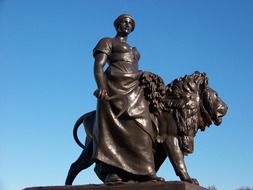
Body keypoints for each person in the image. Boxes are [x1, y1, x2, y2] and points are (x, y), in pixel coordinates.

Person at [92, 14, 161, 183]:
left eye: (130, 23)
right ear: (117, 24)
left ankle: (145, 171)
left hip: (134, 90)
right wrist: (101, 86)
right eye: (124, 21)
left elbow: (133, 68)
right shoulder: (107, 41)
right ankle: (112, 172)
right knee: (112, 131)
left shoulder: (134, 50)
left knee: (144, 127)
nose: (127, 24)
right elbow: (98, 65)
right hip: (114, 89)